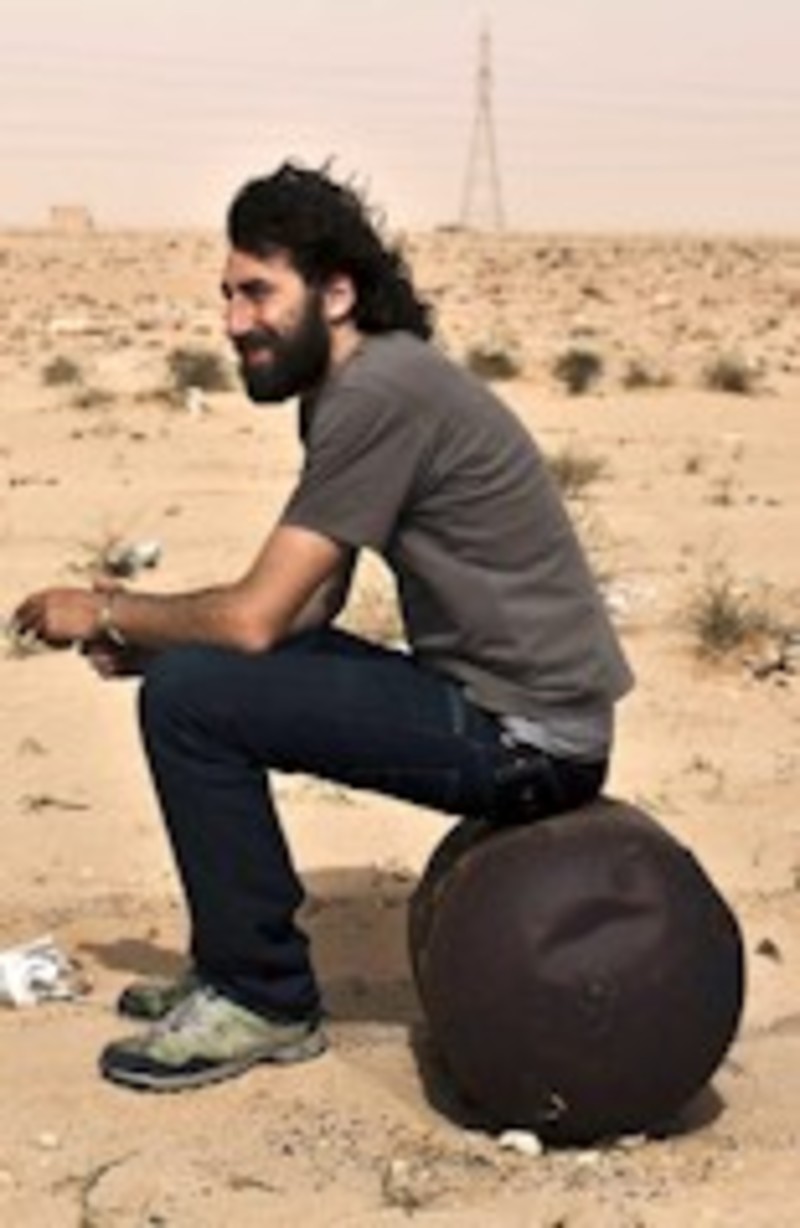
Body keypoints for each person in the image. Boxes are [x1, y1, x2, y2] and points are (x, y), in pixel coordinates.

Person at [12, 162, 634, 1093]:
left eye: (258, 292)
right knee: (192, 684)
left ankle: (261, 996)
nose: (234, 321)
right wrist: (163, 642)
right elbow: (309, 607)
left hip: (531, 741)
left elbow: (258, 615)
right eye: (226, 295)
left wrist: (104, 609)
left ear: (336, 294)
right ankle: (236, 965)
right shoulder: (352, 387)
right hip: (501, 709)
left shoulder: (380, 392)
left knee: (190, 702)